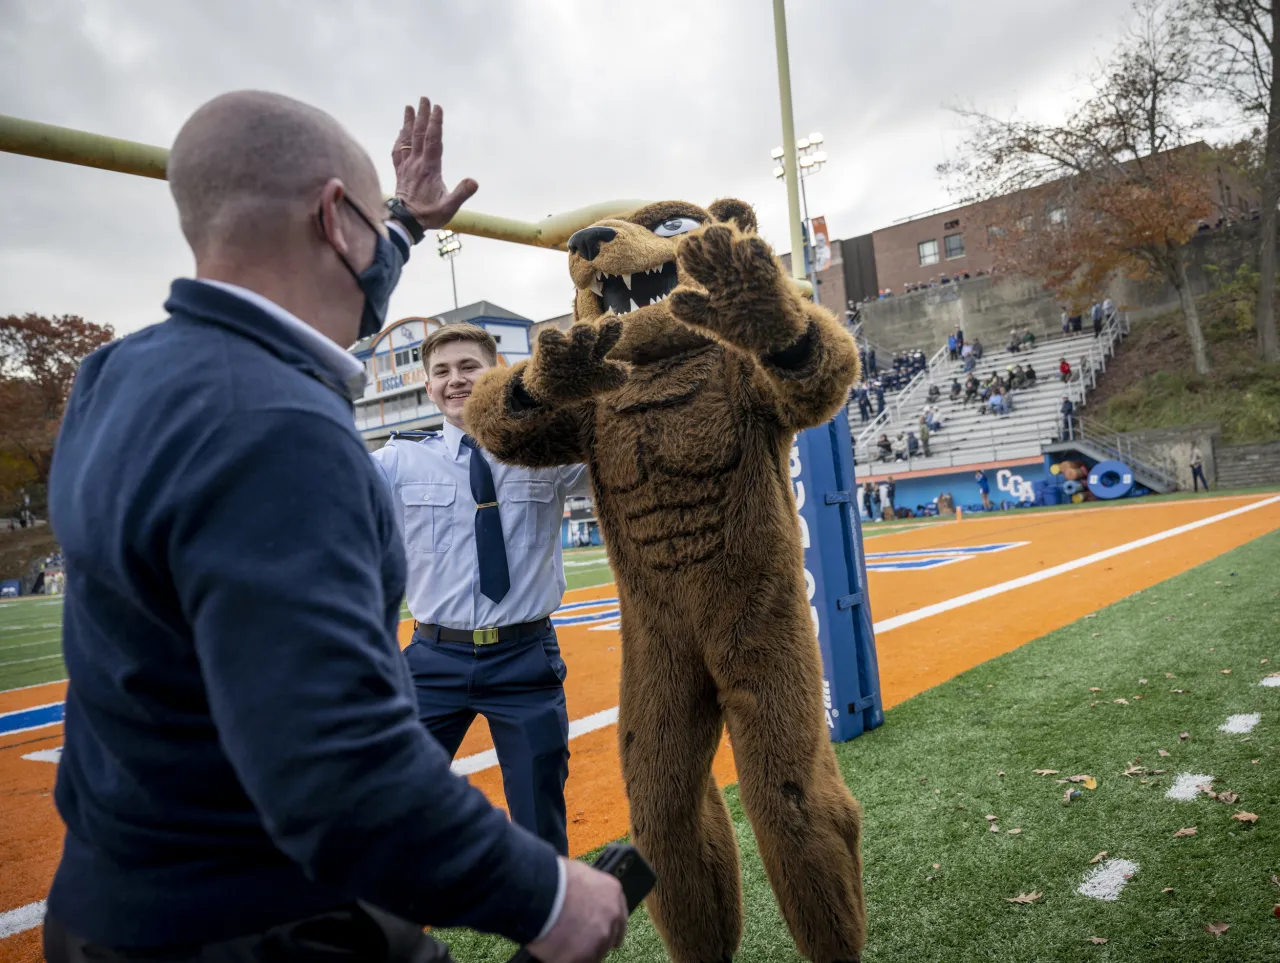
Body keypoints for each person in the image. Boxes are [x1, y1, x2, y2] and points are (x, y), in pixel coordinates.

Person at [41, 91, 627, 963]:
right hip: (252, 924)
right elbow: (337, 766)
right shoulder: (275, 423)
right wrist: (544, 894)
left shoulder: (114, 373)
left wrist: (400, 224)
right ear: (331, 219)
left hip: (108, 901)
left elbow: (323, 298)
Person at [371, 323, 585, 856]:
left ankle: (550, 936)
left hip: (524, 659)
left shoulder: (547, 452)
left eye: (468, 366)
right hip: (432, 659)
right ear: (427, 387)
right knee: (390, 801)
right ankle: (391, 928)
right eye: (441, 372)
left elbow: (628, 455)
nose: (455, 380)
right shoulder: (397, 461)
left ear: (498, 372)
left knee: (539, 818)